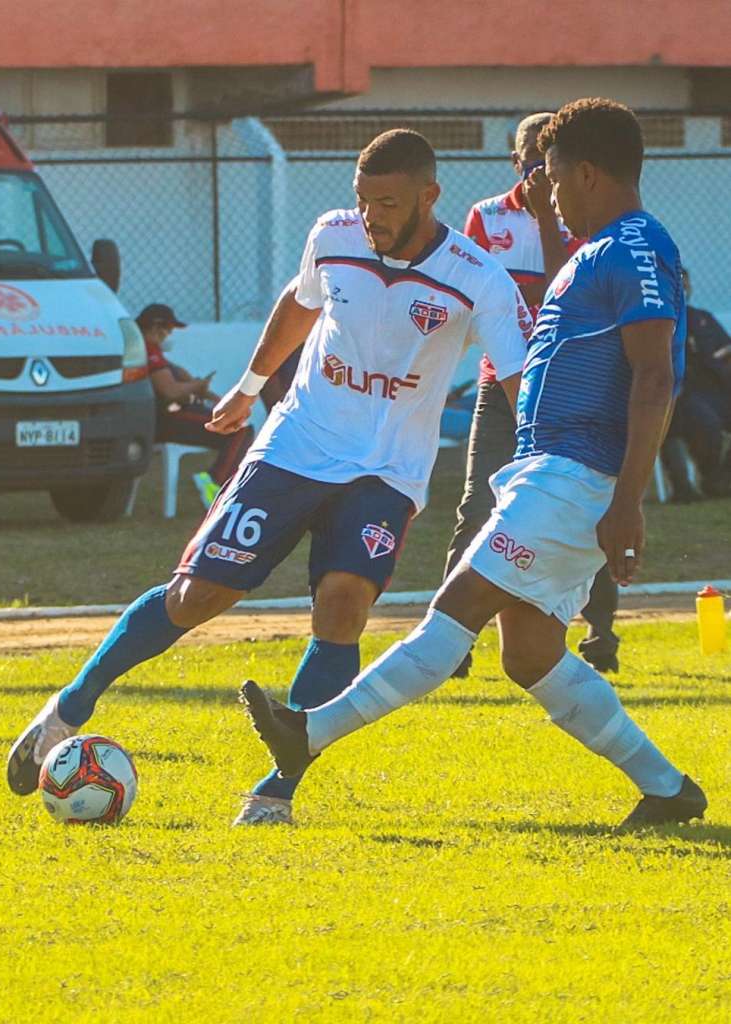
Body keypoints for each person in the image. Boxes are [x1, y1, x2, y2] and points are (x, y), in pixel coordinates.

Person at [6, 129, 531, 826]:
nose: (371, 215)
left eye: (388, 203)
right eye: (364, 200)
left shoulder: (477, 277)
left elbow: (520, 378)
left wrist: (542, 459)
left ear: (429, 197)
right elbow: (300, 300)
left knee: (342, 607)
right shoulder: (334, 235)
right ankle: (68, 709)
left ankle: (277, 789)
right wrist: (249, 386)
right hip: (296, 447)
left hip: (386, 472)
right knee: (197, 597)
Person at [242, 98, 708, 833]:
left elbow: (656, 377)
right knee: (529, 655)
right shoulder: (599, 247)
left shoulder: (634, 247)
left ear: (588, 174)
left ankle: (309, 733)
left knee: (456, 607)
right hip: (553, 471)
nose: (546, 195)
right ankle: (668, 790)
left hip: (574, 476)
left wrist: (628, 501)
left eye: (554, 179)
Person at [448, 112, 620, 675]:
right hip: (501, 381)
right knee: (478, 504)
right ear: (514, 161)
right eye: (528, 164)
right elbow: (471, 295)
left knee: (583, 505)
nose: (537, 177)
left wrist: (547, 217)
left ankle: (600, 631)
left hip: (568, 387)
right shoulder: (487, 216)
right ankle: (453, 644)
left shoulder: (577, 214)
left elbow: (568, 293)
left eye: (546, 166)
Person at [137, 302, 253, 509]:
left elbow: (182, 379)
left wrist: (213, 397)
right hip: (167, 418)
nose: (168, 335)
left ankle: (219, 484)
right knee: (239, 431)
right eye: (168, 330)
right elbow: (170, 391)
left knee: (238, 429)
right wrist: (197, 385)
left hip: (170, 416)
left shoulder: (148, 351)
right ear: (155, 327)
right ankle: (213, 483)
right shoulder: (147, 350)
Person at [662, 269, 731, 498]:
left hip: (718, 388)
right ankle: (710, 476)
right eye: (677, 285)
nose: (683, 289)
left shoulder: (703, 318)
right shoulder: (661, 323)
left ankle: (722, 478)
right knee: (707, 423)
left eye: (685, 284)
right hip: (686, 393)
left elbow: (726, 348)